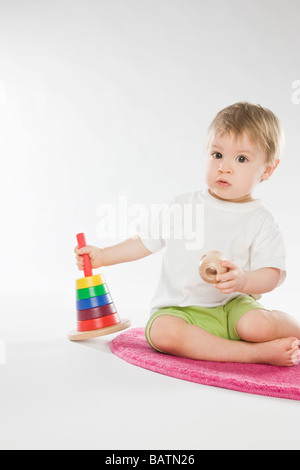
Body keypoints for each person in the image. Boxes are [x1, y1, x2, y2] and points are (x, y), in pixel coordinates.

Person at [75, 102, 300, 367]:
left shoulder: (261, 220)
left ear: (268, 170)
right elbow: (143, 242)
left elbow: (271, 274)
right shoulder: (181, 207)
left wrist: (243, 281)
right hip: (180, 312)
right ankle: (253, 354)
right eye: (217, 155)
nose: (224, 167)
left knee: (257, 326)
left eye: (241, 159)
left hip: (234, 308)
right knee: (163, 333)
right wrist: (103, 256)